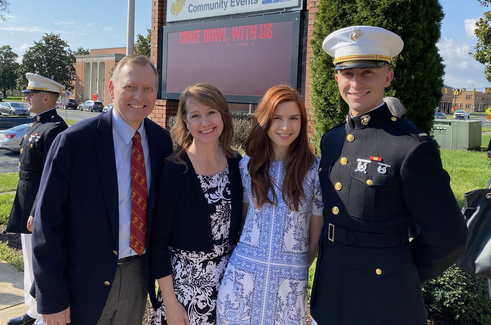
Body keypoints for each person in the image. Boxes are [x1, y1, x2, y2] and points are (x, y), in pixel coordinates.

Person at [310, 26, 468, 324]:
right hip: (330, 296)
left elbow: (450, 237)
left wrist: (399, 271)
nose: (356, 82)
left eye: (367, 72)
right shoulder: (332, 140)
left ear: (387, 77)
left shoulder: (409, 146)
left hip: (383, 304)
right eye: (347, 73)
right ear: (337, 78)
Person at [31, 55, 173, 325]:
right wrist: (51, 297)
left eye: (148, 88)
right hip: (80, 279)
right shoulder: (73, 143)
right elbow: (47, 224)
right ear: (111, 89)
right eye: (130, 86)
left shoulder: (161, 142)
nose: (139, 96)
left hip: (136, 276)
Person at [216, 85, 324, 324]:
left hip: (288, 289)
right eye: (277, 118)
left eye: (293, 118)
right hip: (241, 284)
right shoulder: (247, 166)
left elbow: (314, 240)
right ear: (265, 120)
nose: (285, 127)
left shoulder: (315, 170)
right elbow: (243, 224)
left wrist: (293, 271)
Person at [149, 83, 243, 325]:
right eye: (195, 115)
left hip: (229, 288)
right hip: (185, 293)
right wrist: (170, 303)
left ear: (223, 115)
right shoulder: (175, 171)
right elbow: (157, 243)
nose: (205, 122)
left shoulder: (236, 164)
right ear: (185, 121)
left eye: (211, 112)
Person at [6, 73, 68, 325]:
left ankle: (43, 314)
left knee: (40, 260)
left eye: (31, 94)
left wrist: (37, 209)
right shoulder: (37, 123)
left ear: (46, 97)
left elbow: (51, 176)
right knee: (29, 258)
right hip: (26, 201)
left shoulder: (55, 129)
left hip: (38, 206)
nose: (27, 98)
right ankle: (32, 310)